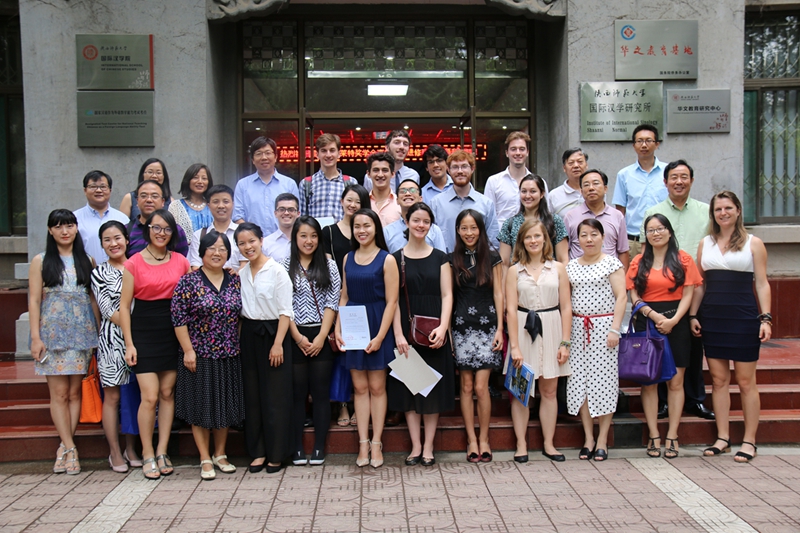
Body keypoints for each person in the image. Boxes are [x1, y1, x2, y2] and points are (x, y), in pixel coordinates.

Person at [690, 191, 771, 463]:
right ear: (712, 214)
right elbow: (700, 285)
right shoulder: (705, 243)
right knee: (719, 380)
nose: (723, 213)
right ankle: (722, 438)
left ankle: (749, 441)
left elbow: (762, 283)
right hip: (713, 317)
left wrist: (766, 318)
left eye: (728, 208)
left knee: (746, 382)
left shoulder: (753, 243)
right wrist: (693, 315)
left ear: (738, 210)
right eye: (718, 209)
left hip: (743, 318)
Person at [120, 209, 190, 479]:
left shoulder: (181, 261)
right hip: (144, 332)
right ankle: (147, 452)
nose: (162, 233)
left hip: (173, 331)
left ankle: (162, 451)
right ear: (147, 229)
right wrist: (129, 344)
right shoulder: (133, 262)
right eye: (156, 228)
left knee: (167, 393)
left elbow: (190, 295)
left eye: (167, 229)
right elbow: (124, 307)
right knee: (149, 396)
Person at [641, 160, 714, 421]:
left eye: (684, 177)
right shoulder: (654, 212)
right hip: (661, 290)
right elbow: (645, 251)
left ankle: (695, 399)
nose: (679, 182)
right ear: (665, 182)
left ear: (691, 180)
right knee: (659, 351)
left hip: (697, 288)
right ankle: (663, 402)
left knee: (692, 348)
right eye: (674, 177)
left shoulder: (706, 212)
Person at [627, 214, 702, 459]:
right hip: (647, 321)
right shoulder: (638, 261)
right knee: (649, 381)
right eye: (650, 230)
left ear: (669, 232)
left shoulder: (683, 259)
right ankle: (653, 435)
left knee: (676, 382)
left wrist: (673, 320)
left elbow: (689, 293)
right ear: (645, 235)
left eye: (660, 229)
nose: (656, 233)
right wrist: (653, 316)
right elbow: (634, 295)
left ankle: (672, 435)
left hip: (676, 323)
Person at [29, 209, 98, 475]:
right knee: (58, 394)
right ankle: (70, 448)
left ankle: (65, 447)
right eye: (58, 226)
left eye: (69, 225)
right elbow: (34, 300)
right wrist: (36, 338)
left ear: (76, 228)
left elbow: (92, 298)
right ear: (50, 230)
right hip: (52, 336)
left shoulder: (87, 260)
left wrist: (98, 333)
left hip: (82, 335)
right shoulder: (41, 261)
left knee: (74, 393)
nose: (64, 231)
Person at [173, 231, 244, 480]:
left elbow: (240, 317)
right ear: (202, 251)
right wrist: (188, 350)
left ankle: (220, 454)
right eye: (212, 248)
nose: (217, 253)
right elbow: (179, 319)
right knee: (200, 406)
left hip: (229, 353)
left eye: (222, 249)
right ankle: (204, 457)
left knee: (224, 405)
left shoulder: (234, 281)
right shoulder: (188, 282)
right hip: (199, 354)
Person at [389, 203, 454, 466]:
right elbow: (392, 300)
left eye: (426, 221)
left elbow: (447, 295)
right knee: (410, 389)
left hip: (434, 331)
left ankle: (428, 447)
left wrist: (443, 327)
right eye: (416, 220)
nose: (421, 225)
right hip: (406, 331)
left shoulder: (441, 258)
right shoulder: (395, 258)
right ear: (406, 222)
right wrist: (398, 334)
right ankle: (415, 446)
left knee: (432, 391)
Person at [334, 208, 398, 468]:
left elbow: (392, 301)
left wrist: (381, 336)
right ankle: (362, 442)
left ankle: (377, 442)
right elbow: (344, 295)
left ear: (376, 228)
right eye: (357, 226)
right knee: (359, 388)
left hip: (377, 323)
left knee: (377, 388)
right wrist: (338, 327)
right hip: (354, 325)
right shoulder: (347, 258)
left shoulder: (387, 259)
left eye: (367, 225)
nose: (362, 230)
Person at [505, 219, 572, 463]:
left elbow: (566, 307)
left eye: (537, 236)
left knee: (549, 390)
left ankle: (549, 443)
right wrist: (514, 346)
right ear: (521, 241)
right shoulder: (514, 271)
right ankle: (521, 444)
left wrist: (565, 342)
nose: (533, 241)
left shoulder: (558, 269)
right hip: (523, 330)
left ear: (545, 239)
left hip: (552, 327)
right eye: (528, 237)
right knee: (520, 390)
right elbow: (511, 310)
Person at [566, 219, 627, 462]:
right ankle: (588, 438)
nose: (589, 239)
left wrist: (615, 329)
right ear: (577, 239)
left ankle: (602, 439)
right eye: (583, 235)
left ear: (603, 237)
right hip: (577, 329)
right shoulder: (571, 266)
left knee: (604, 382)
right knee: (579, 382)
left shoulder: (611, 263)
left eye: (594, 234)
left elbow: (621, 297)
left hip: (604, 329)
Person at [236, 222, 294, 474]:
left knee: (275, 397)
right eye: (242, 243)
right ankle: (258, 451)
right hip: (250, 335)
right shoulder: (241, 274)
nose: (248, 247)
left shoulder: (277, 271)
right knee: (253, 395)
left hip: (274, 334)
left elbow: (285, 311)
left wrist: (278, 343)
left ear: (261, 241)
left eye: (252, 241)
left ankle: (277, 453)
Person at [284, 216, 341, 466]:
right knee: (297, 395)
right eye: (303, 235)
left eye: (314, 236)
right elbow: (283, 306)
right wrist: (297, 338)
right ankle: (297, 447)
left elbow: (332, 301)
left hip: (321, 333)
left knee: (320, 393)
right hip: (294, 333)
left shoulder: (329, 265)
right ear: (295, 238)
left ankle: (319, 447)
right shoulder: (284, 265)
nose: (309, 241)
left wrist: (320, 337)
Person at [450, 209, 503, 463]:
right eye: (464, 228)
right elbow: (449, 297)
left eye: (473, 228)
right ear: (458, 230)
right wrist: (449, 333)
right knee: (466, 386)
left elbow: (499, 294)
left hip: (487, 327)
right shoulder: (451, 260)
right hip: (461, 327)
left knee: (482, 387)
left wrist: (500, 329)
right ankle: (471, 439)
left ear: (481, 230)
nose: (469, 233)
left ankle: (484, 438)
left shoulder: (493, 258)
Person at [91, 221, 142, 473]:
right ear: (102, 244)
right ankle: (114, 451)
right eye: (107, 240)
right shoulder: (99, 273)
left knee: (134, 396)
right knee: (112, 397)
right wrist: (142, 320)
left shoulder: (138, 265)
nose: (113, 244)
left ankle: (131, 448)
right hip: (113, 341)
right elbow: (109, 311)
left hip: (141, 341)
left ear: (126, 239)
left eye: (118, 238)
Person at [321, 183, 370, 426]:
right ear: (341, 201)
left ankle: (363, 402)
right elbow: (329, 269)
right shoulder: (329, 232)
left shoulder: (367, 230)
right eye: (349, 200)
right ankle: (342, 404)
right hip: (340, 297)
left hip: (365, 298)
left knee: (364, 353)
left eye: (358, 202)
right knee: (343, 353)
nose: (353, 205)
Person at [613, 124, 668, 258]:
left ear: (657, 144)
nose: (644, 145)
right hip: (634, 241)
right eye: (639, 141)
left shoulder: (668, 172)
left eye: (648, 140)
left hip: (663, 239)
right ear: (634, 145)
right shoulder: (624, 174)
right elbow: (620, 211)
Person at [430, 150, 500, 252]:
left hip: (478, 260)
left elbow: (492, 242)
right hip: (445, 261)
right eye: (455, 167)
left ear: (472, 169)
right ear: (448, 170)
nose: (460, 171)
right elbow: (431, 239)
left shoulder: (486, 204)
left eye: (464, 166)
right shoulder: (436, 203)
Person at [563, 169, 630, 270]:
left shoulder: (617, 216)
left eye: (595, 183)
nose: (591, 188)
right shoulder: (570, 216)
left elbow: (623, 251)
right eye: (586, 185)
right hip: (578, 274)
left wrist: (621, 276)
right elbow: (564, 252)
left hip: (610, 274)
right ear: (581, 191)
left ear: (605, 188)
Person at [233, 136, 300, 236]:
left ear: (275, 157)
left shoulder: (289, 184)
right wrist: (252, 236)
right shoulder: (242, 185)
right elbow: (237, 216)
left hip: (284, 240)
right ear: (252, 160)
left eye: (268, 153)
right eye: (258, 154)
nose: (264, 157)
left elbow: (296, 215)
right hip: (253, 241)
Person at [498, 174, 568, 268]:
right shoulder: (510, 224)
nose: (527, 196)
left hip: (549, 275)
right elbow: (504, 263)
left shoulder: (555, 221)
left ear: (542, 194)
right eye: (524, 191)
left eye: (533, 191)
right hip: (519, 275)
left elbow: (563, 259)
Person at [484, 131, 547, 226]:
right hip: (501, 235)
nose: (518, 153)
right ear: (507, 153)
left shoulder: (539, 183)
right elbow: (488, 217)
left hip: (531, 234)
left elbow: (545, 214)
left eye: (522, 149)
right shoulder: (493, 182)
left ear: (527, 152)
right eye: (513, 149)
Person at [74, 170, 129, 263]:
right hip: (86, 271)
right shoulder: (74, 219)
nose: (98, 190)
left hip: (119, 271)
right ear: (85, 190)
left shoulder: (123, 218)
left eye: (103, 187)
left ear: (110, 190)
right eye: (93, 187)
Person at [126, 180, 189, 257]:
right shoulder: (126, 230)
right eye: (143, 196)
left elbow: (182, 260)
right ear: (137, 201)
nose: (149, 200)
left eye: (154, 196)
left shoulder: (175, 230)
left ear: (163, 202)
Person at [299, 133, 355, 220]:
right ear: (317, 154)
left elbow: (355, 215)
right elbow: (302, 218)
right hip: (316, 229)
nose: (328, 155)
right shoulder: (306, 184)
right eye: (324, 151)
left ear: (339, 154)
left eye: (332, 150)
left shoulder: (351, 182)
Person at [188, 185, 243, 271]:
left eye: (225, 201)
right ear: (208, 205)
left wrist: (232, 276)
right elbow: (196, 266)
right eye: (215, 202)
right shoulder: (199, 235)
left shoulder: (242, 233)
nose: (221, 206)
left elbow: (245, 264)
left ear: (233, 204)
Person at [383, 178, 446, 253]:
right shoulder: (387, 232)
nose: (407, 194)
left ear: (420, 198)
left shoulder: (434, 230)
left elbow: (441, 258)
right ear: (397, 200)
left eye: (412, 190)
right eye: (403, 191)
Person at [168, 163, 214, 245]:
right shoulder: (176, 206)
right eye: (195, 177)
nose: (200, 181)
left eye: (204, 178)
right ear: (188, 180)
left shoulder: (213, 206)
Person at [548, 148, 589, 217]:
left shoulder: (595, 191)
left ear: (586, 165)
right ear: (564, 168)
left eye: (580, 162)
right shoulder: (554, 195)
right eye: (571, 163)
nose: (576, 166)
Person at [262, 193, 300, 263]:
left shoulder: (306, 241)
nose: (286, 213)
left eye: (291, 209)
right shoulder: (266, 244)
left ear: (298, 214)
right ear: (275, 213)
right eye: (282, 209)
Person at [367, 152, 402, 226]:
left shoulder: (400, 204)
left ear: (392, 174)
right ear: (368, 174)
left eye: (385, 170)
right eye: (376, 170)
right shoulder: (362, 203)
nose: (380, 175)